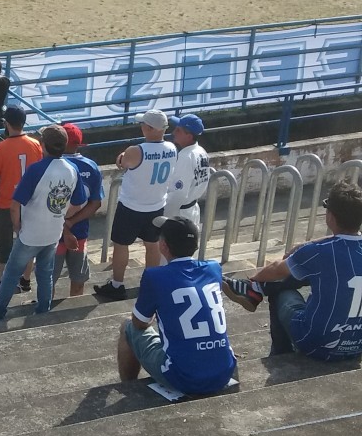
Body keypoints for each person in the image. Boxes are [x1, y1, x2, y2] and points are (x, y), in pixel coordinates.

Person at [223, 180, 362, 360]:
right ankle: (254, 291)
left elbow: (275, 270)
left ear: (330, 217)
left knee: (282, 289)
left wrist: (255, 280)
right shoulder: (322, 251)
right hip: (357, 345)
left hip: (316, 343)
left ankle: (280, 353)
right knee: (311, 271)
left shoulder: (318, 252)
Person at [0, 125, 86, 322]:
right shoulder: (72, 169)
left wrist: (17, 226)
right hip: (53, 232)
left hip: (30, 233)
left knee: (10, 274)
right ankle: (43, 310)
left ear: (43, 145)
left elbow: (15, 205)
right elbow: (79, 202)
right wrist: (61, 215)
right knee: (45, 273)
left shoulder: (37, 169)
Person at [117, 217, 237, 394]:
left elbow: (139, 324)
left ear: (163, 246)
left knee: (126, 326)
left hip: (182, 377)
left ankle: (128, 389)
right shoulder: (213, 268)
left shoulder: (154, 276)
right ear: (195, 246)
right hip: (224, 373)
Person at [95, 109, 177, 301]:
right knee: (152, 245)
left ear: (149, 128)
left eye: (143, 125)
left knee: (121, 244)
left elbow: (122, 163)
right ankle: (150, 283)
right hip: (156, 204)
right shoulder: (172, 148)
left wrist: (123, 154)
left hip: (131, 206)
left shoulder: (136, 150)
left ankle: (117, 284)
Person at [0, 106, 42, 294]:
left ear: (6, 123)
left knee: (4, 244)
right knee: (28, 242)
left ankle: (4, 282)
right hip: (29, 203)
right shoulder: (35, 144)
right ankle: (25, 280)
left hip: (6, 204)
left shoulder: (0, 148)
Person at [55, 124, 104, 296]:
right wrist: (72, 223)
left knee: (48, 280)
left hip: (53, 234)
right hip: (80, 233)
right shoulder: (91, 166)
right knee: (78, 280)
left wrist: (64, 227)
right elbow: (96, 203)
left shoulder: (52, 165)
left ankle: (42, 312)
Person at [164, 114, 210, 227]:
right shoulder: (201, 151)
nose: (173, 132)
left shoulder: (186, 157)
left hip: (179, 214)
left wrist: (164, 217)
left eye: (178, 130)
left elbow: (178, 194)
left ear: (189, 136)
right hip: (192, 210)